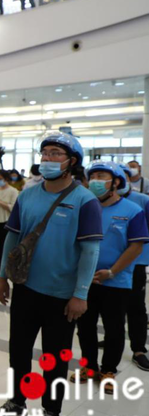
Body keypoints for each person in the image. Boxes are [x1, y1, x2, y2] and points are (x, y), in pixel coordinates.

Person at [0, 132, 102, 416]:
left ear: (71, 162)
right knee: (19, 351)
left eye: (55, 153)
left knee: (55, 358)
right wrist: (2, 276)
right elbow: (12, 238)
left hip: (62, 296)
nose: (48, 159)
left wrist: (80, 294)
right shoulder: (27, 195)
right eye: (45, 153)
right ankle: (17, 401)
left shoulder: (85, 201)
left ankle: (51, 415)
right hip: (26, 288)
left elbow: (90, 251)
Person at [72, 161, 147, 394]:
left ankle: (108, 370)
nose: (95, 179)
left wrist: (112, 271)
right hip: (86, 278)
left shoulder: (132, 211)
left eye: (101, 175)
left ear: (115, 182)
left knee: (114, 328)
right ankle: (89, 366)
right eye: (92, 175)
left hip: (116, 280)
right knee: (84, 325)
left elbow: (135, 247)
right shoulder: (85, 208)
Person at [116, 163, 149, 371]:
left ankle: (139, 349)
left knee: (136, 306)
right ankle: (113, 342)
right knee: (112, 307)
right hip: (109, 263)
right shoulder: (98, 202)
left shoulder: (142, 200)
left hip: (136, 262)